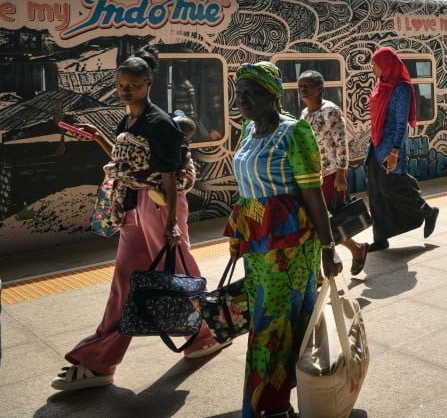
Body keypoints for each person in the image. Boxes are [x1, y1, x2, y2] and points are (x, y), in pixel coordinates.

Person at [52, 46, 227, 393]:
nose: (124, 91)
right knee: (125, 281)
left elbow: (169, 176)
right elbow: (124, 164)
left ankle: (206, 333)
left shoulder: (160, 123)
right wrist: (99, 137)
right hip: (134, 204)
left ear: (148, 83)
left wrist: (171, 224)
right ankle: (100, 360)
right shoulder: (127, 119)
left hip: (160, 205)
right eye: (120, 85)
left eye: (131, 85)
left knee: (179, 274)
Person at [223, 61, 340, 418]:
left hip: (290, 248)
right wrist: (238, 234)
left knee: (270, 328)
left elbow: (313, 195)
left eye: (252, 93)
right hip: (256, 247)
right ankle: (285, 397)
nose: (242, 99)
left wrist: (328, 246)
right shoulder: (247, 130)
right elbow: (247, 191)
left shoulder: (295, 132)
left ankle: (264, 407)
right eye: (239, 93)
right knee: (276, 324)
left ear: (272, 95)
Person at [364, 46, 439, 252]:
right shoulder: (381, 86)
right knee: (375, 193)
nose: (373, 68)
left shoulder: (401, 89)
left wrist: (395, 151)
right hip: (375, 146)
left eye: (375, 64)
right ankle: (380, 238)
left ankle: (428, 212)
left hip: (390, 148)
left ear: (386, 65)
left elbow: (400, 123)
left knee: (392, 187)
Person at [298, 70, 368, 276]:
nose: (303, 89)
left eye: (308, 85)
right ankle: (357, 249)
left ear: (320, 88)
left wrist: (340, 175)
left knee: (327, 220)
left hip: (331, 175)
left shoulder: (331, 111)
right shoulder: (304, 114)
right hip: (313, 176)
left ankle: (323, 270)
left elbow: (342, 144)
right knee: (316, 221)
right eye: (300, 85)